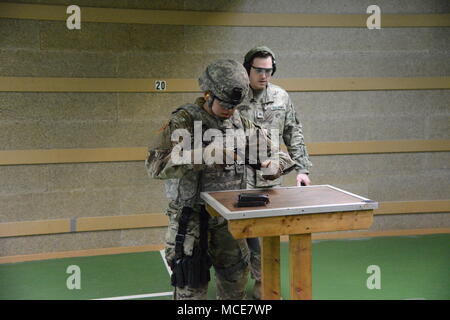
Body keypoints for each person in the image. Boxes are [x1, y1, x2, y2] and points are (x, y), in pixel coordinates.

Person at [145, 59, 296, 300]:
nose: (229, 111)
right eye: (225, 104)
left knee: (236, 283)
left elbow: (280, 154)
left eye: (234, 106)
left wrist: (275, 165)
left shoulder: (240, 123)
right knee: (190, 291)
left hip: (228, 219)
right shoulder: (184, 121)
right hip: (191, 220)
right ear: (208, 94)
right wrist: (204, 155)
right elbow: (155, 166)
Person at [238, 46, 313, 299]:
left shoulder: (281, 97)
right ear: (248, 69)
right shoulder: (235, 97)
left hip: (271, 177)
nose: (263, 75)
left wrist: (301, 169)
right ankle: (243, 279)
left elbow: (294, 131)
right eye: (258, 70)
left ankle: (263, 280)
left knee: (269, 231)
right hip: (239, 177)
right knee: (244, 233)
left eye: (268, 70)